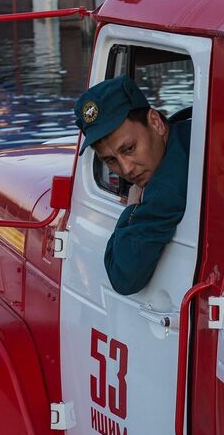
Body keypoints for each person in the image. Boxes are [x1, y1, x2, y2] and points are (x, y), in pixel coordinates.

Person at [73, 76, 192, 296]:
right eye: (110, 160)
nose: (126, 169)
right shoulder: (190, 131)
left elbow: (123, 278)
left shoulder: (166, 189)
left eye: (129, 149)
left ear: (156, 122)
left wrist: (132, 208)